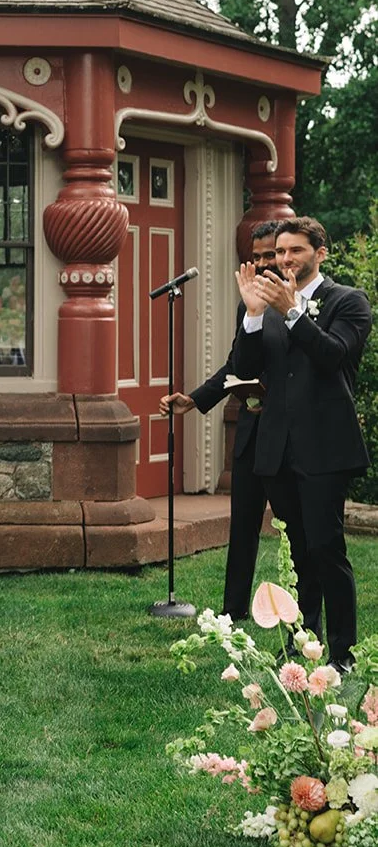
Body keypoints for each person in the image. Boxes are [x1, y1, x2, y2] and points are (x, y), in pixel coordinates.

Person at [233, 216, 372, 669]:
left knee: (326, 548)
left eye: (295, 250)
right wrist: (254, 315)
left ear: (320, 253)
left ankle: (343, 653)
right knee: (295, 554)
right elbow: (244, 366)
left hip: (325, 447)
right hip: (278, 448)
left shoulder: (349, 302)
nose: (284, 259)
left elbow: (332, 356)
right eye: (279, 252)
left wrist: (293, 312)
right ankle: (301, 643)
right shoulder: (265, 305)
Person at [160, 222, 280, 619]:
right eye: (257, 256)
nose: (263, 264)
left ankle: (298, 617)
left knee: (296, 533)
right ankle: (234, 614)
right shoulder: (246, 305)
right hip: (250, 432)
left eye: (270, 255)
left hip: (290, 435)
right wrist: (193, 400)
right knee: (242, 528)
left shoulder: (297, 305)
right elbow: (236, 364)